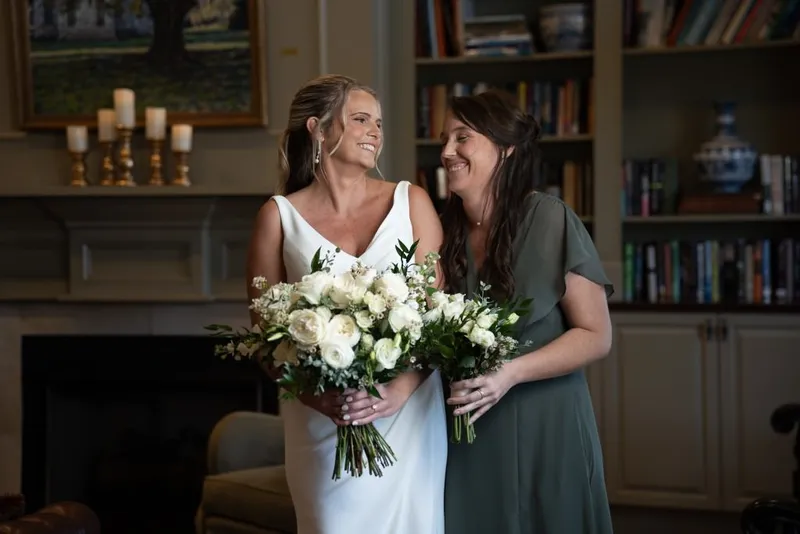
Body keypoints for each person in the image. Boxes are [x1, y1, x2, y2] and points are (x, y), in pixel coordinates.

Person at [245, 74, 447, 534]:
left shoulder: (411, 202)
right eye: (360, 119)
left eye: (378, 122)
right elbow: (263, 339)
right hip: (322, 421)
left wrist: (399, 390)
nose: (375, 131)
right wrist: (320, 398)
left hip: (409, 415)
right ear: (318, 129)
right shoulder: (278, 216)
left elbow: (435, 317)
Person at [438, 89, 615, 533]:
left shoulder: (550, 218)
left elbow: (596, 335)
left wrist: (510, 373)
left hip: (548, 424)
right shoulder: (439, 231)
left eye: (462, 137)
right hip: (468, 433)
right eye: (444, 140)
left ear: (506, 148)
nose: (447, 151)